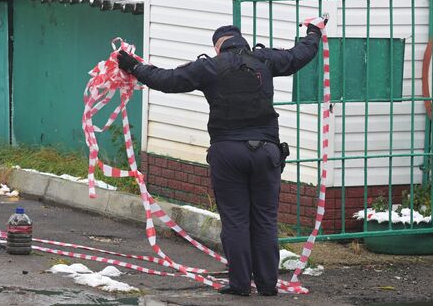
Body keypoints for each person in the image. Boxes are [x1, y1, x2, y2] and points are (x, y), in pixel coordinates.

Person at [117, 20, 324, 296]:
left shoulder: (209, 67)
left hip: (228, 153)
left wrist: (133, 66)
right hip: (266, 151)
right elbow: (299, 55)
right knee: (265, 219)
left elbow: (166, 80)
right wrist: (313, 33)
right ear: (241, 41)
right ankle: (267, 284)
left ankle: (239, 284)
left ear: (218, 46)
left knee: (236, 220)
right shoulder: (264, 59)